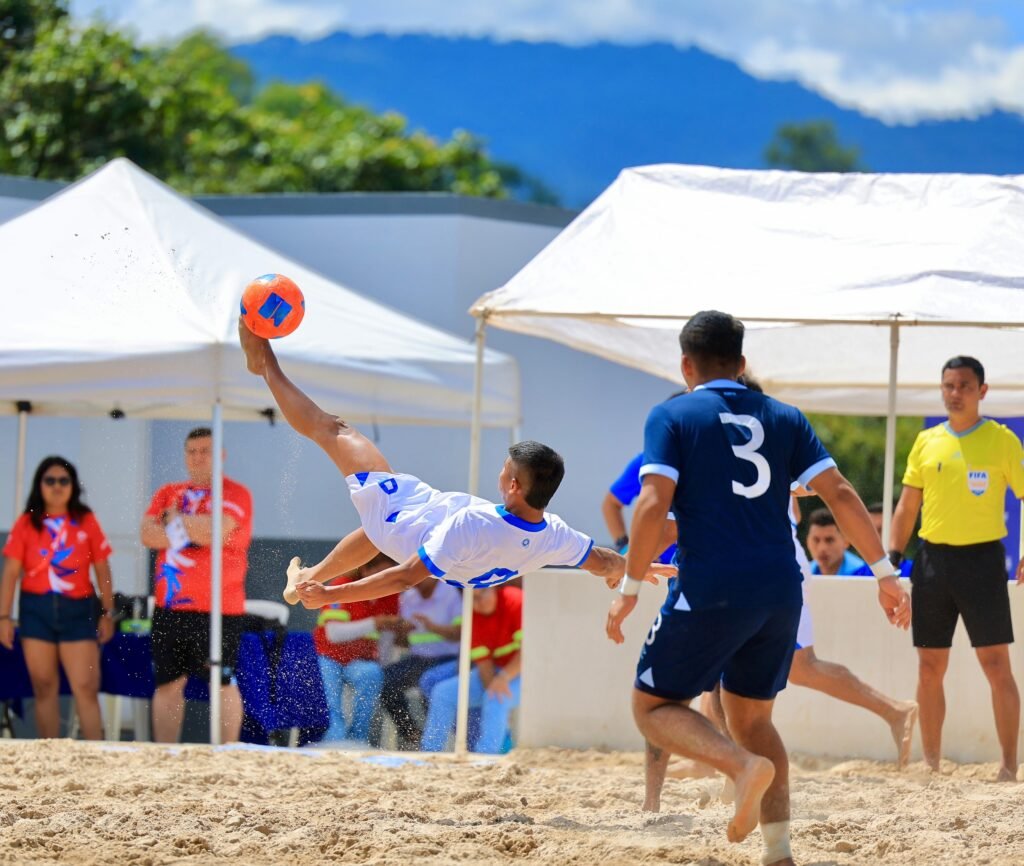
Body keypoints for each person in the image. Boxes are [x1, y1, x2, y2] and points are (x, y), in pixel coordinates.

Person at [605, 310, 910, 866]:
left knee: (652, 706)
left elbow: (650, 505)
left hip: (712, 584)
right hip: (780, 589)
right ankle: (779, 852)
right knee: (755, 721)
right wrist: (886, 575)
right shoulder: (785, 416)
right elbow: (840, 493)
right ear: (742, 364)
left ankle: (741, 768)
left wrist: (629, 582)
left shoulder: (673, 414)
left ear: (685, 365)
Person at [235, 320, 673, 613]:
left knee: (332, 430)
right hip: (429, 527)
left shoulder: (473, 524)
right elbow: (598, 559)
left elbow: (405, 576)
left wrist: (333, 596)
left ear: (515, 486)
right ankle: (306, 577)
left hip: (404, 521)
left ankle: (265, 365)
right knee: (371, 530)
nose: (500, 474)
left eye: (505, 469)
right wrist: (630, 567)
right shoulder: (554, 535)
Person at [890, 355, 1024, 781]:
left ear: (982, 391)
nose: (955, 393)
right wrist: (892, 560)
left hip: (983, 561)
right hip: (932, 561)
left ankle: (1007, 765)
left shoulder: (1002, 440)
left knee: (996, 665)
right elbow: (907, 505)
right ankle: (931, 764)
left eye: (964, 386)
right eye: (948, 385)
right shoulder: (927, 441)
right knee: (929, 667)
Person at [140, 427, 253, 744]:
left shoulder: (235, 493)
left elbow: (216, 531)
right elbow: (147, 535)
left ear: (220, 456)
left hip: (219, 608)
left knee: (223, 680)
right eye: (192, 451)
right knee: (168, 683)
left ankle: (227, 752)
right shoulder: (168, 492)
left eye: (205, 451)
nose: (197, 457)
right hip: (171, 605)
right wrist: (190, 527)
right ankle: (165, 753)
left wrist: (172, 520)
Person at [0, 457, 115, 740]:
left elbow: (102, 567)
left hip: (78, 608)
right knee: (43, 686)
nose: (56, 486)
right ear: (39, 485)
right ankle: (51, 756)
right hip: (35, 609)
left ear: (73, 486)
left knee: (86, 686)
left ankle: (96, 755)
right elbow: (11, 571)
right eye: (49, 480)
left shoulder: (86, 520)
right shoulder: (27, 522)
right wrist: (3, 617)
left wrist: (107, 612)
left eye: (63, 480)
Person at [420, 584, 522, 753]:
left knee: (495, 699)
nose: (478, 601)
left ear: (495, 588)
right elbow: (484, 664)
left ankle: (486, 756)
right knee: (442, 693)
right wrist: (493, 685)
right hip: (496, 671)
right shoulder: (471, 616)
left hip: (525, 672)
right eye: (473, 597)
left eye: (482, 594)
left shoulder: (515, 600)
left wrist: (503, 678)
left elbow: (529, 650)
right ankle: (430, 752)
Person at [313, 552, 401, 745]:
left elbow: (387, 637)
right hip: (327, 656)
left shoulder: (391, 595)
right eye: (381, 574)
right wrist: (375, 623)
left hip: (360, 661)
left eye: (389, 574)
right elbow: (333, 634)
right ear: (365, 569)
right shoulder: (340, 586)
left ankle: (358, 739)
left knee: (373, 673)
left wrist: (382, 664)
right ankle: (333, 738)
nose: (385, 580)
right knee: (330, 697)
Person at [377, 578, 462, 750]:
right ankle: (412, 734)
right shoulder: (408, 596)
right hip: (418, 658)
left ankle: (436, 742)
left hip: (448, 658)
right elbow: (403, 643)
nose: (416, 583)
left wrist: (432, 627)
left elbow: (460, 633)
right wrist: (401, 630)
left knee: (429, 684)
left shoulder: (451, 593)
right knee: (384, 681)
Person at [602, 452, 678, 563]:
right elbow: (611, 504)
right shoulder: (647, 462)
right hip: (653, 564)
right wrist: (623, 545)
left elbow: (670, 531)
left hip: (692, 561)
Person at [805, 508, 866, 576]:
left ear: (846, 541)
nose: (822, 548)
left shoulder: (865, 575)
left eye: (829, 540)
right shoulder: (803, 574)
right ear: (807, 541)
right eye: (816, 540)